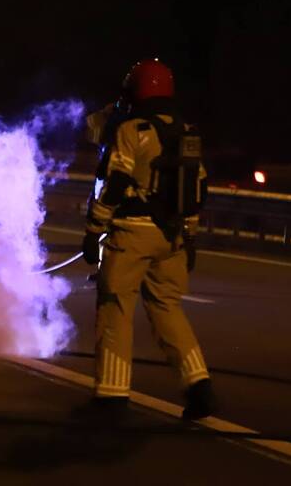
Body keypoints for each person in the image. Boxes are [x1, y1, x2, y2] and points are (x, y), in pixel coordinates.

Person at [81, 59, 214, 420]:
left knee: (115, 309)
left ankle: (111, 398)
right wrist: (190, 238)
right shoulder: (186, 131)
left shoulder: (132, 128)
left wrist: (94, 231)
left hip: (132, 235)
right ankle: (198, 385)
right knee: (167, 308)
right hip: (171, 236)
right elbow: (197, 188)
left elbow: (117, 181)